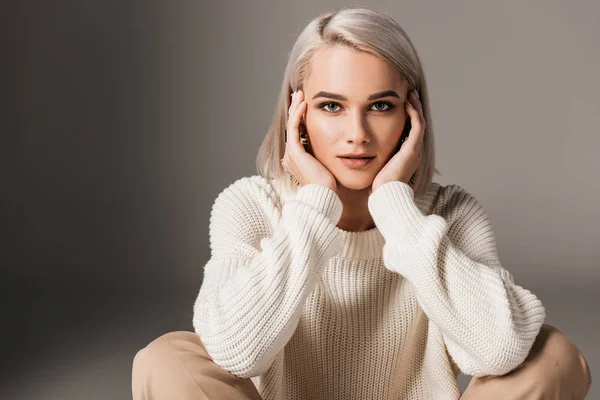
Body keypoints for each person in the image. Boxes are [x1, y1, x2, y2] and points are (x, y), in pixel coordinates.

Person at [131, 5, 591, 399]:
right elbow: (235, 350)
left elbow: (496, 349)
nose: (357, 134)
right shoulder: (251, 206)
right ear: (298, 114)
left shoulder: (451, 214)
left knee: (551, 356)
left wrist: (395, 205)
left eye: (381, 106)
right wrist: (314, 205)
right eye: (332, 106)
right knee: (166, 361)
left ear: (413, 118)